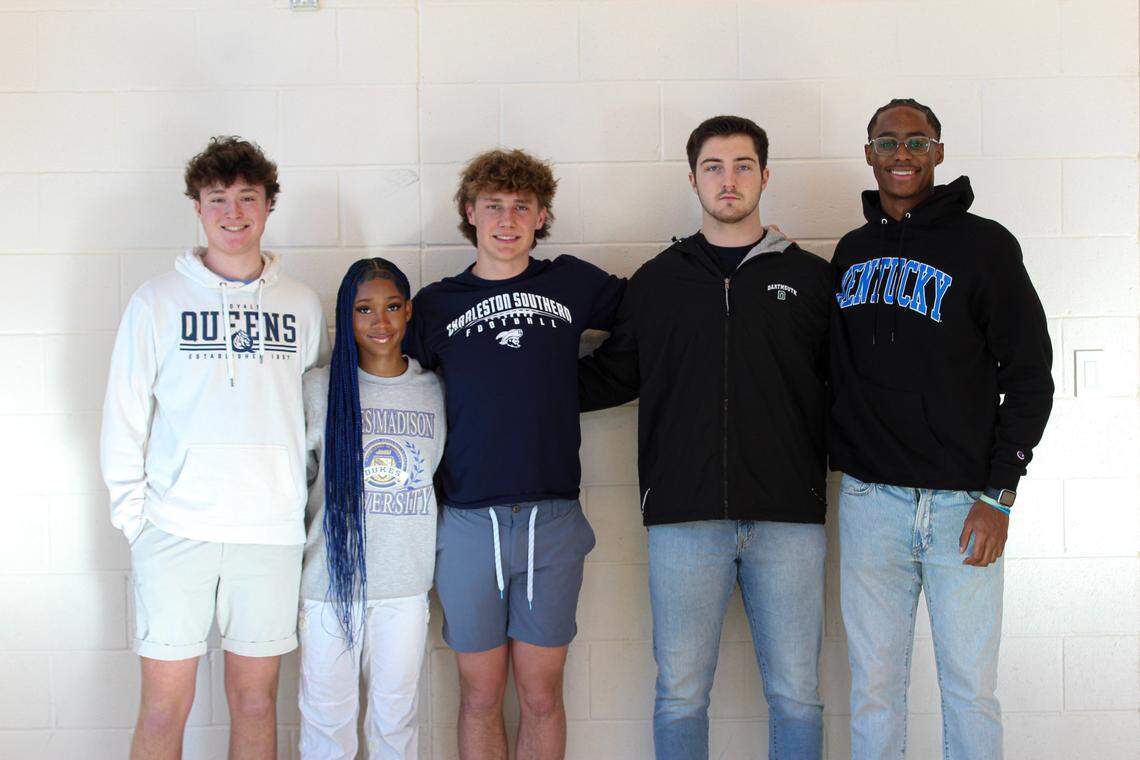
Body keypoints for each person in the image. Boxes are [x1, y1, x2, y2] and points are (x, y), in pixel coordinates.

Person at [578, 115, 832, 760]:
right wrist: (514, 377)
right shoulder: (658, 281)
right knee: (681, 694)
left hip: (789, 518)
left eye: (743, 166)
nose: (729, 180)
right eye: (713, 167)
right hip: (683, 520)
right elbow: (613, 375)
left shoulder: (811, 279)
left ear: (765, 176)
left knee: (797, 696)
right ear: (693, 180)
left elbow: (849, 387)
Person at [830, 98, 1054, 759]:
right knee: (874, 690)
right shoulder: (851, 252)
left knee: (970, 691)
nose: (902, 154)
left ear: (939, 152)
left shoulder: (985, 246)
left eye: (917, 141)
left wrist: (999, 496)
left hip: (964, 505)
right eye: (888, 142)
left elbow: (1030, 376)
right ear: (868, 153)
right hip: (871, 502)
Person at [100, 136, 328, 760]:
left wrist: (302, 512)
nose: (233, 212)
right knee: (163, 707)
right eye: (217, 198)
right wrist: (135, 521)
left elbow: (313, 421)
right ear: (198, 207)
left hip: (270, 534)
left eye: (247, 197)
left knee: (254, 704)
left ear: (268, 205)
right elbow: (123, 415)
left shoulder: (301, 305)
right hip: (175, 530)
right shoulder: (156, 301)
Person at [404, 148, 624, 760]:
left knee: (541, 693)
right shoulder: (436, 304)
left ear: (542, 216)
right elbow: (398, 387)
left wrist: (575, 387)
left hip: (551, 519)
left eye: (522, 207)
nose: (508, 220)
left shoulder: (570, 282)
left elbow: (650, 318)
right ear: (470, 212)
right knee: (479, 695)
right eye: (494, 206)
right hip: (468, 520)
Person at [297, 257, 445, 759]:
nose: (380, 321)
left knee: (395, 722)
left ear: (408, 312)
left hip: (403, 585)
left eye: (392, 307)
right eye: (364, 309)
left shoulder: (433, 391)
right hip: (328, 586)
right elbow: (299, 485)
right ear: (347, 314)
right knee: (327, 724)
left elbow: (436, 475)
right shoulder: (318, 390)